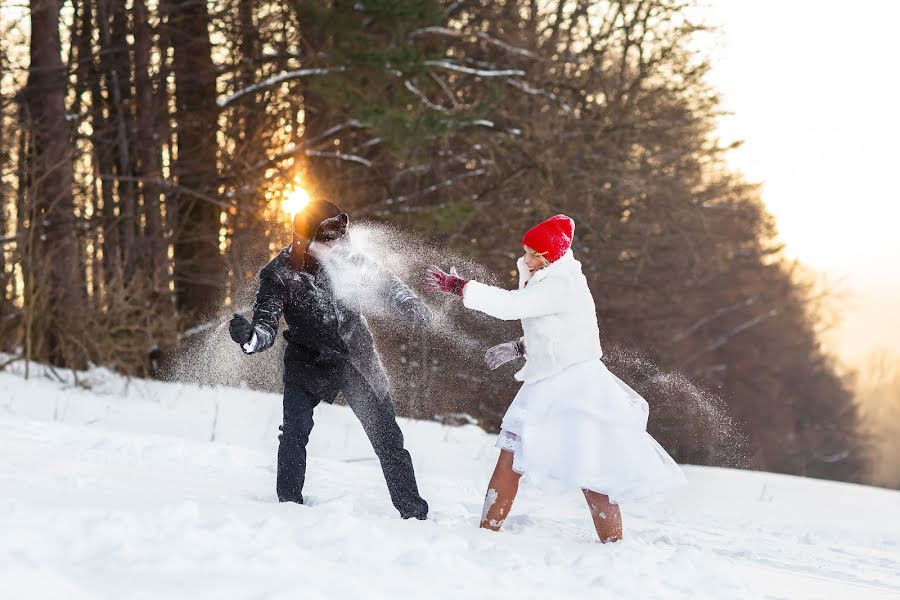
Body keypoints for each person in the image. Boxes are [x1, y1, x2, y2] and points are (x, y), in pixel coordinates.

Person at [425, 214, 685, 541]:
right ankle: (486, 533)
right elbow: (558, 330)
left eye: (536, 254)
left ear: (554, 255)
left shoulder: (562, 283)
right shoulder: (550, 278)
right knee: (511, 455)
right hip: (549, 379)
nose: (527, 260)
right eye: (527, 251)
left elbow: (512, 305)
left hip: (576, 383)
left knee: (593, 470)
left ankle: (614, 547)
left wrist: (462, 287)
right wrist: (521, 347)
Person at [230, 199, 430, 520]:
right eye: (328, 236)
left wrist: (409, 304)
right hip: (307, 361)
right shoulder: (279, 274)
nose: (337, 242)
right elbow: (265, 325)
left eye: (341, 232)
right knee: (295, 432)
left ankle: (413, 511)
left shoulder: (350, 259)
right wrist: (251, 339)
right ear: (305, 239)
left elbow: (387, 284)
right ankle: (289, 508)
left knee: (387, 436)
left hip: (356, 359)